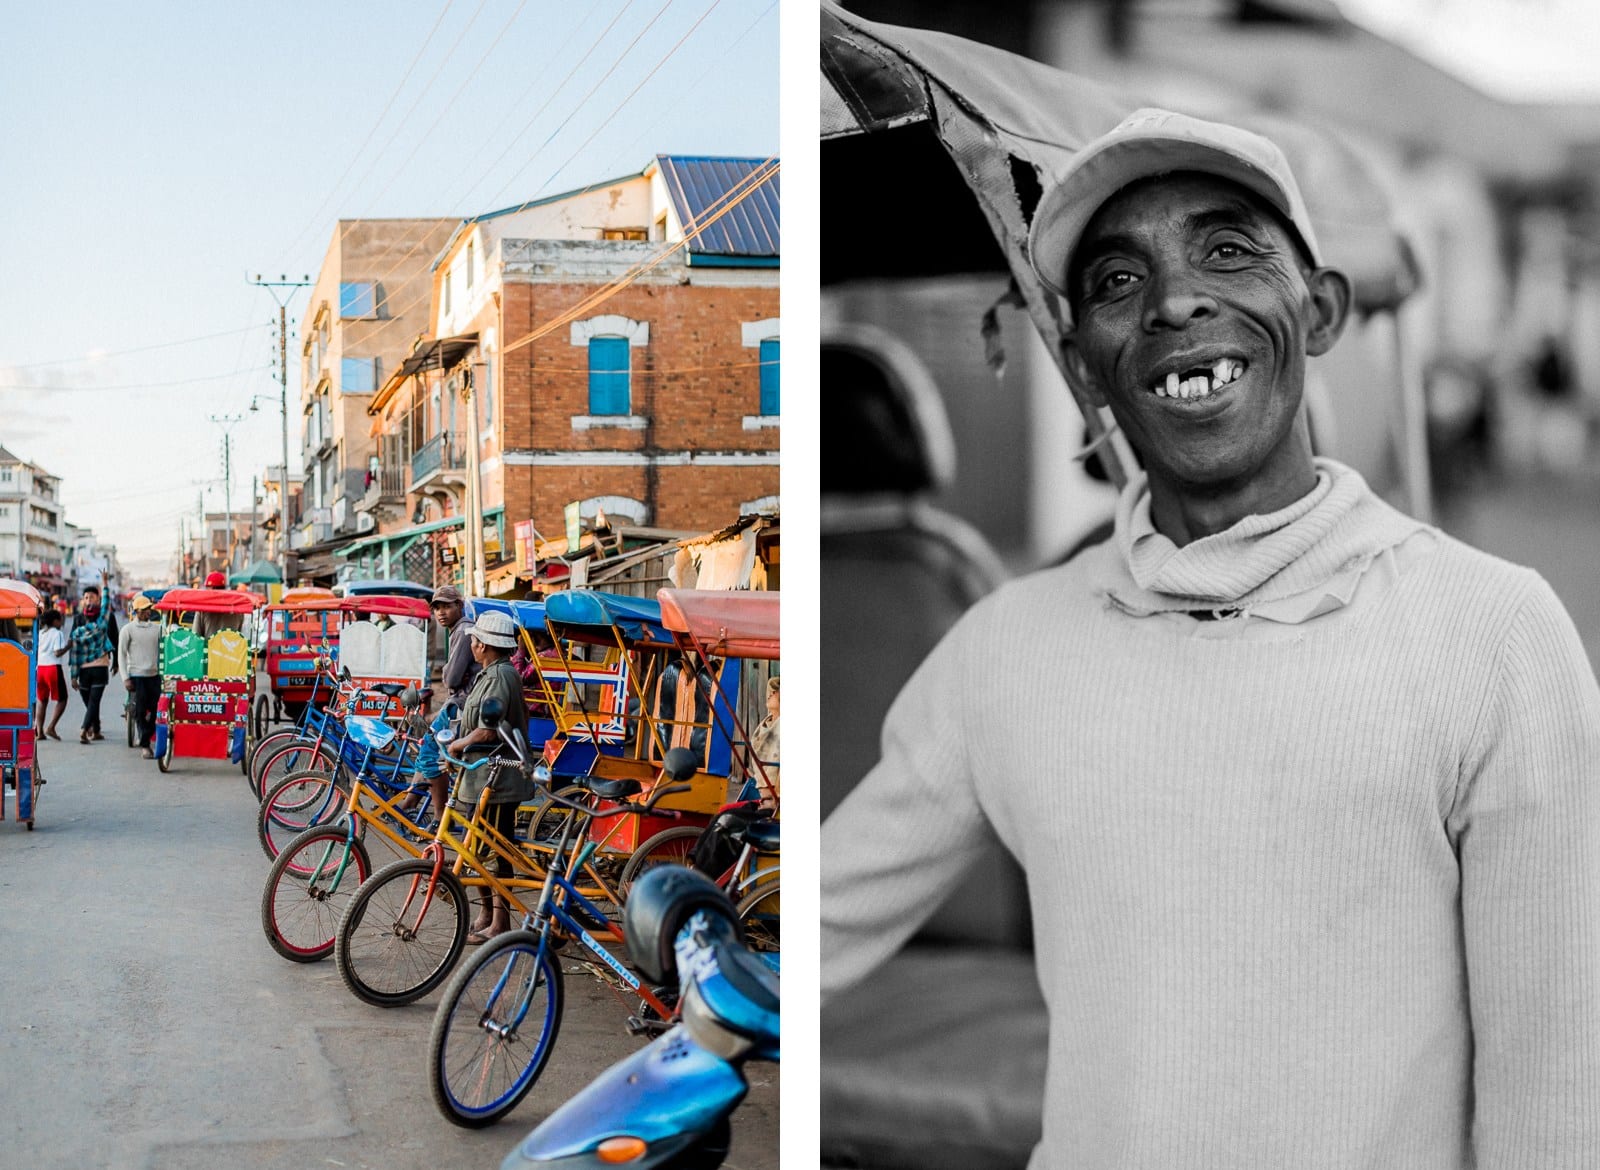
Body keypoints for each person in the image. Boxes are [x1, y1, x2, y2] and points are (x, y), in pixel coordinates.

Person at [822, 109, 1600, 1166]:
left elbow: (1553, 1089)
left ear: (1318, 312)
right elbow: (810, 923)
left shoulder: (1493, 636)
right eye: (1113, 283)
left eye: (1227, 251)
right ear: (1087, 368)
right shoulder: (1004, 648)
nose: (1174, 301)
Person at [447, 610, 533, 943]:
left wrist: (459, 744)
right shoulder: (490, 673)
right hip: (479, 776)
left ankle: (500, 923)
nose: (470, 643)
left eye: (473, 640)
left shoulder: (500, 676)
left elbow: (486, 732)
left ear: (483, 645)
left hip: (496, 781)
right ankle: (486, 915)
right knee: (477, 850)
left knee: (496, 852)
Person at [397, 585, 480, 822]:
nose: (441, 612)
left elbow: (451, 678)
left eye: (447, 606)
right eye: (437, 608)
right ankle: (411, 800)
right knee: (426, 743)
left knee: (430, 753)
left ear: (459, 606)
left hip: (463, 705)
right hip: (458, 701)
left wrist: (445, 673)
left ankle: (441, 814)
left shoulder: (464, 631)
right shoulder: (457, 631)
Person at [68, 574, 117, 743]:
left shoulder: (80, 630)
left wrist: (73, 676)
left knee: (91, 701)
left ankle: (91, 729)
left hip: (91, 668)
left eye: (91, 597)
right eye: (86, 598)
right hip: (93, 669)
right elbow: (107, 605)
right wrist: (105, 584)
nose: (89, 600)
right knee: (93, 702)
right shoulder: (98, 622)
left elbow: (74, 654)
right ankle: (89, 729)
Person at [118, 595, 163, 758]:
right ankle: (145, 745)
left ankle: (145, 738)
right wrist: (125, 678)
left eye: (149, 609)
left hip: (154, 675)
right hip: (136, 675)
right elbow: (121, 655)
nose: (147, 613)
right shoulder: (127, 630)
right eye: (144, 610)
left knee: (157, 709)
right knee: (139, 710)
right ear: (137, 611)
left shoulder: (157, 629)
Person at [33, 609, 68, 740]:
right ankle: (51, 726)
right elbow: (57, 652)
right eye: (60, 620)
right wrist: (69, 646)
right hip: (53, 668)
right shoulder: (57, 633)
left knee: (42, 700)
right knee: (62, 699)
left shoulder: (41, 632)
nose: (61, 622)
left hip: (40, 668)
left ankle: (39, 731)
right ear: (55, 621)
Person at [192, 570, 244, 640]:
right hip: (230, 649)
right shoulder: (238, 610)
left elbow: (195, 636)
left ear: (211, 589)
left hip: (208, 650)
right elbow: (239, 635)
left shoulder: (202, 609)